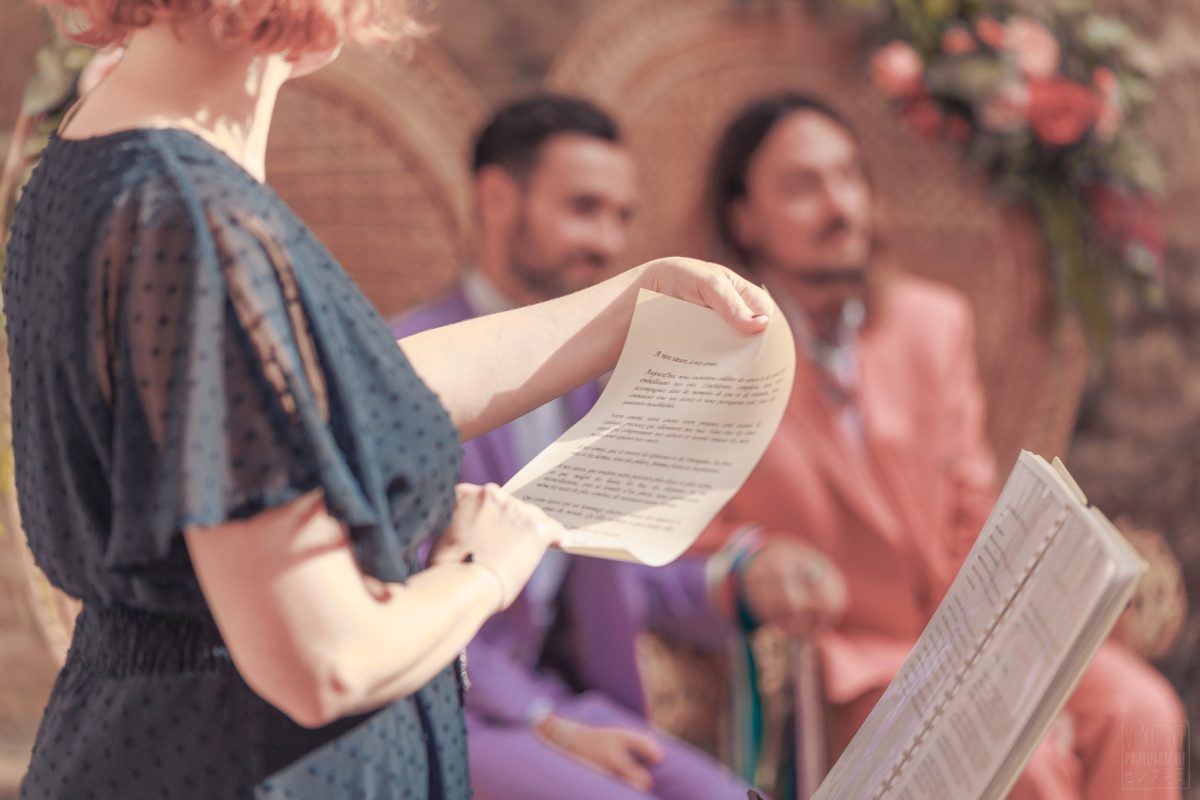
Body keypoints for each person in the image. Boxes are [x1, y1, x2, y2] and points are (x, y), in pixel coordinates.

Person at [1, 3, 776, 796]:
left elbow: (337, 397)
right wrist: (480, 571)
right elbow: (323, 660)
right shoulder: (196, 227)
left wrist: (632, 304)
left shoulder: (101, 157)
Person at [697, 91, 1188, 799]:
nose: (839, 203)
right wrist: (758, 563)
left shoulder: (934, 322)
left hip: (980, 633)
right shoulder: (713, 360)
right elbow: (690, 539)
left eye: (849, 176)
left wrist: (1012, 665)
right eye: (804, 186)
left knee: (1147, 713)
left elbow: (970, 502)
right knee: (1034, 772)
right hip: (858, 666)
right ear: (742, 216)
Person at [392, 93, 845, 800]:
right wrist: (546, 722)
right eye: (584, 208)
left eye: (621, 216)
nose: (607, 241)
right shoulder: (409, 366)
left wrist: (732, 581)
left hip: (563, 702)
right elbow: (401, 599)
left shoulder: (596, 381)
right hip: (446, 710)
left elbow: (613, 566)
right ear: (497, 198)